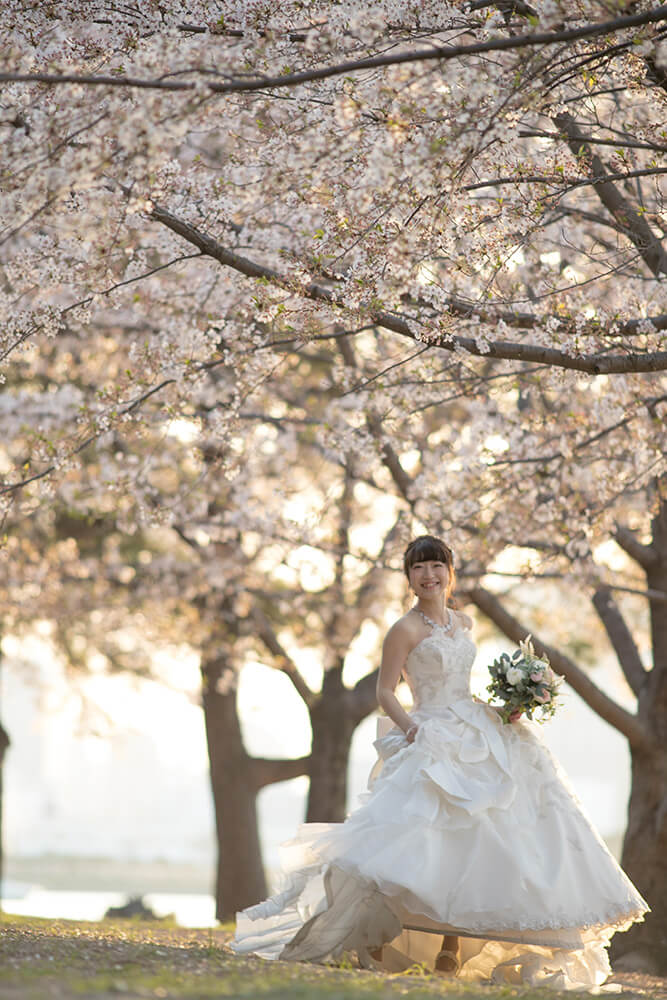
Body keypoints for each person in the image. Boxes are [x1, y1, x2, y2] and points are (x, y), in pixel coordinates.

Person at [232, 535, 649, 989]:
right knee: (423, 837)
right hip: (429, 730)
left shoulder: (464, 623)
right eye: (418, 568)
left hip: (473, 724)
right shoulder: (403, 630)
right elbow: (384, 691)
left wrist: (503, 708)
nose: (428, 576)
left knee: (492, 832)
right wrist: (412, 729)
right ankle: (373, 936)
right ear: (409, 578)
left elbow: (461, 684)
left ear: (450, 572)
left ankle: (454, 947)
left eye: (436, 566)